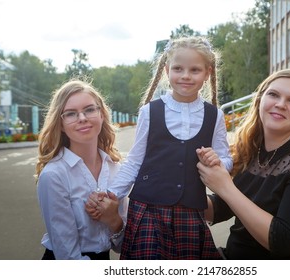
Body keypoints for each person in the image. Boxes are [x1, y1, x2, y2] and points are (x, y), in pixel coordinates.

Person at [92, 36, 233, 259]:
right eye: (178, 68)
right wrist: (113, 193)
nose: (186, 76)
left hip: (191, 212)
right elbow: (135, 161)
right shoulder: (150, 112)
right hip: (148, 211)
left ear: (207, 73)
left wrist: (217, 161)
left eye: (195, 70)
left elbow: (226, 158)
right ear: (167, 70)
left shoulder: (214, 115)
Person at [197, 69, 290, 259]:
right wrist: (176, 194)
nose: (280, 104)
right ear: (260, 99)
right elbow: (222, 207)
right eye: (273, 95)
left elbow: (283, 241)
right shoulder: (252, 147)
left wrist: (225, 186)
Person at [35, 78, 126, 260]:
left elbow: (123, 245)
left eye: (89, 109)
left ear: (101, 114)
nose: (82, 118)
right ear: (60, 124)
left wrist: (114, 220)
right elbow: (68, 256)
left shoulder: (116, 169)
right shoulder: (54, 175)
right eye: (70, 114)